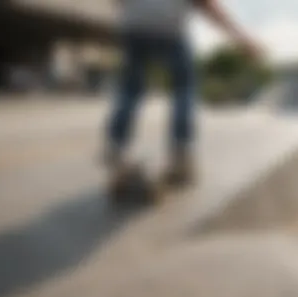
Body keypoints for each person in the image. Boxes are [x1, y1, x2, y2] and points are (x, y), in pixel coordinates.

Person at [106, 0, 261, 186]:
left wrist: (133, 12)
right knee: (184, 87)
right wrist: (241, 39)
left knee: (130, 88)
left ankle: (116, 147)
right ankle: (181, 155)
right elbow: (209, 7)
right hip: (169, 27)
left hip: (133, 25)